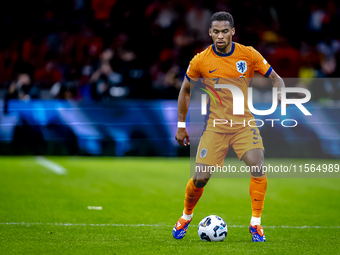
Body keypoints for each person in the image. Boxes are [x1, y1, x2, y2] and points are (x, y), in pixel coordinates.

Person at [173, 11, 285, 242]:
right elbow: (185, 91)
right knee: (201, 177)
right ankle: (186, 216)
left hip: (244, 124)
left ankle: (256, 224)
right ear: (210, 33)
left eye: (225, 31)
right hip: (215, 126)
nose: (220, 36)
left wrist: (280, 92)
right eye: (216, 32)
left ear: (233, 31)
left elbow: (276, 78)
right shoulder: (200, 60)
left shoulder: (249, 54)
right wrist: (181, 125)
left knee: (258, 165)